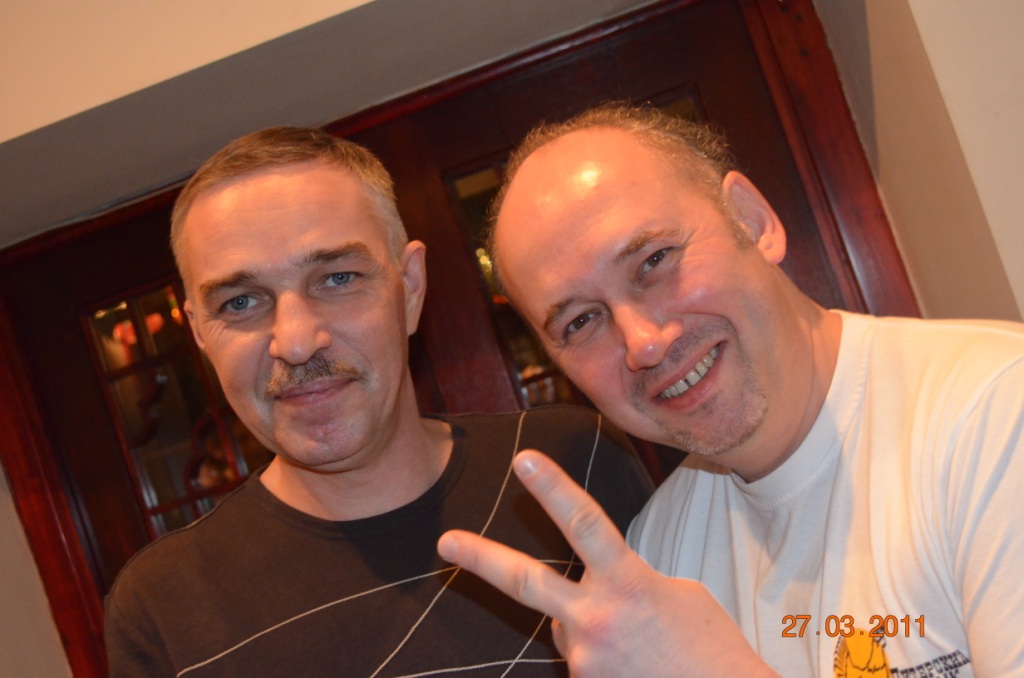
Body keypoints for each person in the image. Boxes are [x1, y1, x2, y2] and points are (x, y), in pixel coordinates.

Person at [437, 105, 1024, 677]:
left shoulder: (995, 410)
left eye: (654, 261)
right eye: (581, 322)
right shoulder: (658, 554)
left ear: (752, 221)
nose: (643, 343)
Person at [103, 126, 654, 677]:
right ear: (200, 333)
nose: (296, 342)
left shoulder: (573, 464)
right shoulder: (162, 607)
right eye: (240, 302)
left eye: (337, 278)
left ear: (409, 287)